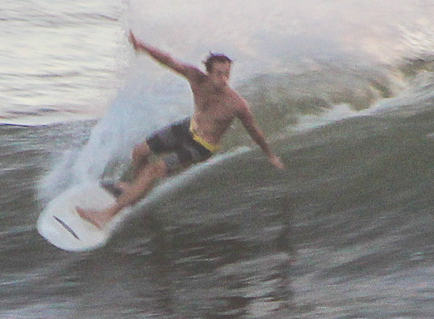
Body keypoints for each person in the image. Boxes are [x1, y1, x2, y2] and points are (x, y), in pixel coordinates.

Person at [76, 32, 284, 229]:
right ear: (208, 72)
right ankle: (135, 191)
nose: (224, 79)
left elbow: (255, 131)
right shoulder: (195, 78)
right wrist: (142, 46)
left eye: (227, 75)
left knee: (154, 170)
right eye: (219, 74)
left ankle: (105, 215)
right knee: (139, 152)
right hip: (189, 127)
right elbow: (169, 61)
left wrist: (270, 155)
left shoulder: (236, 104)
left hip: (202, 146)